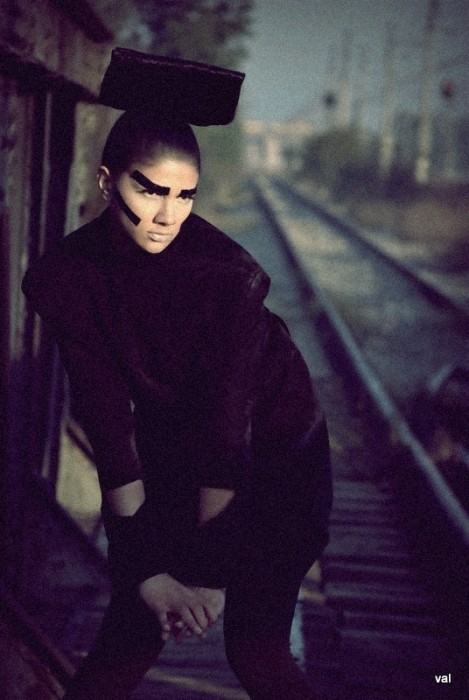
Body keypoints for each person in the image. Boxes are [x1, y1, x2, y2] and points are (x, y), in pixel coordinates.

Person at [22, 49, 332, 700]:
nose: (168, 214)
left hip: (280, 461)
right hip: (177, 450)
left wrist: (208, 576)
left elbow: (227, 438)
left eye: (185, 194)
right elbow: (109, 429)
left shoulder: (228, 281)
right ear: (106, 182)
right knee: (128, 636)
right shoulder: (67, 278)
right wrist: (145, 572)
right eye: (150, 189)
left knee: (255, 651)